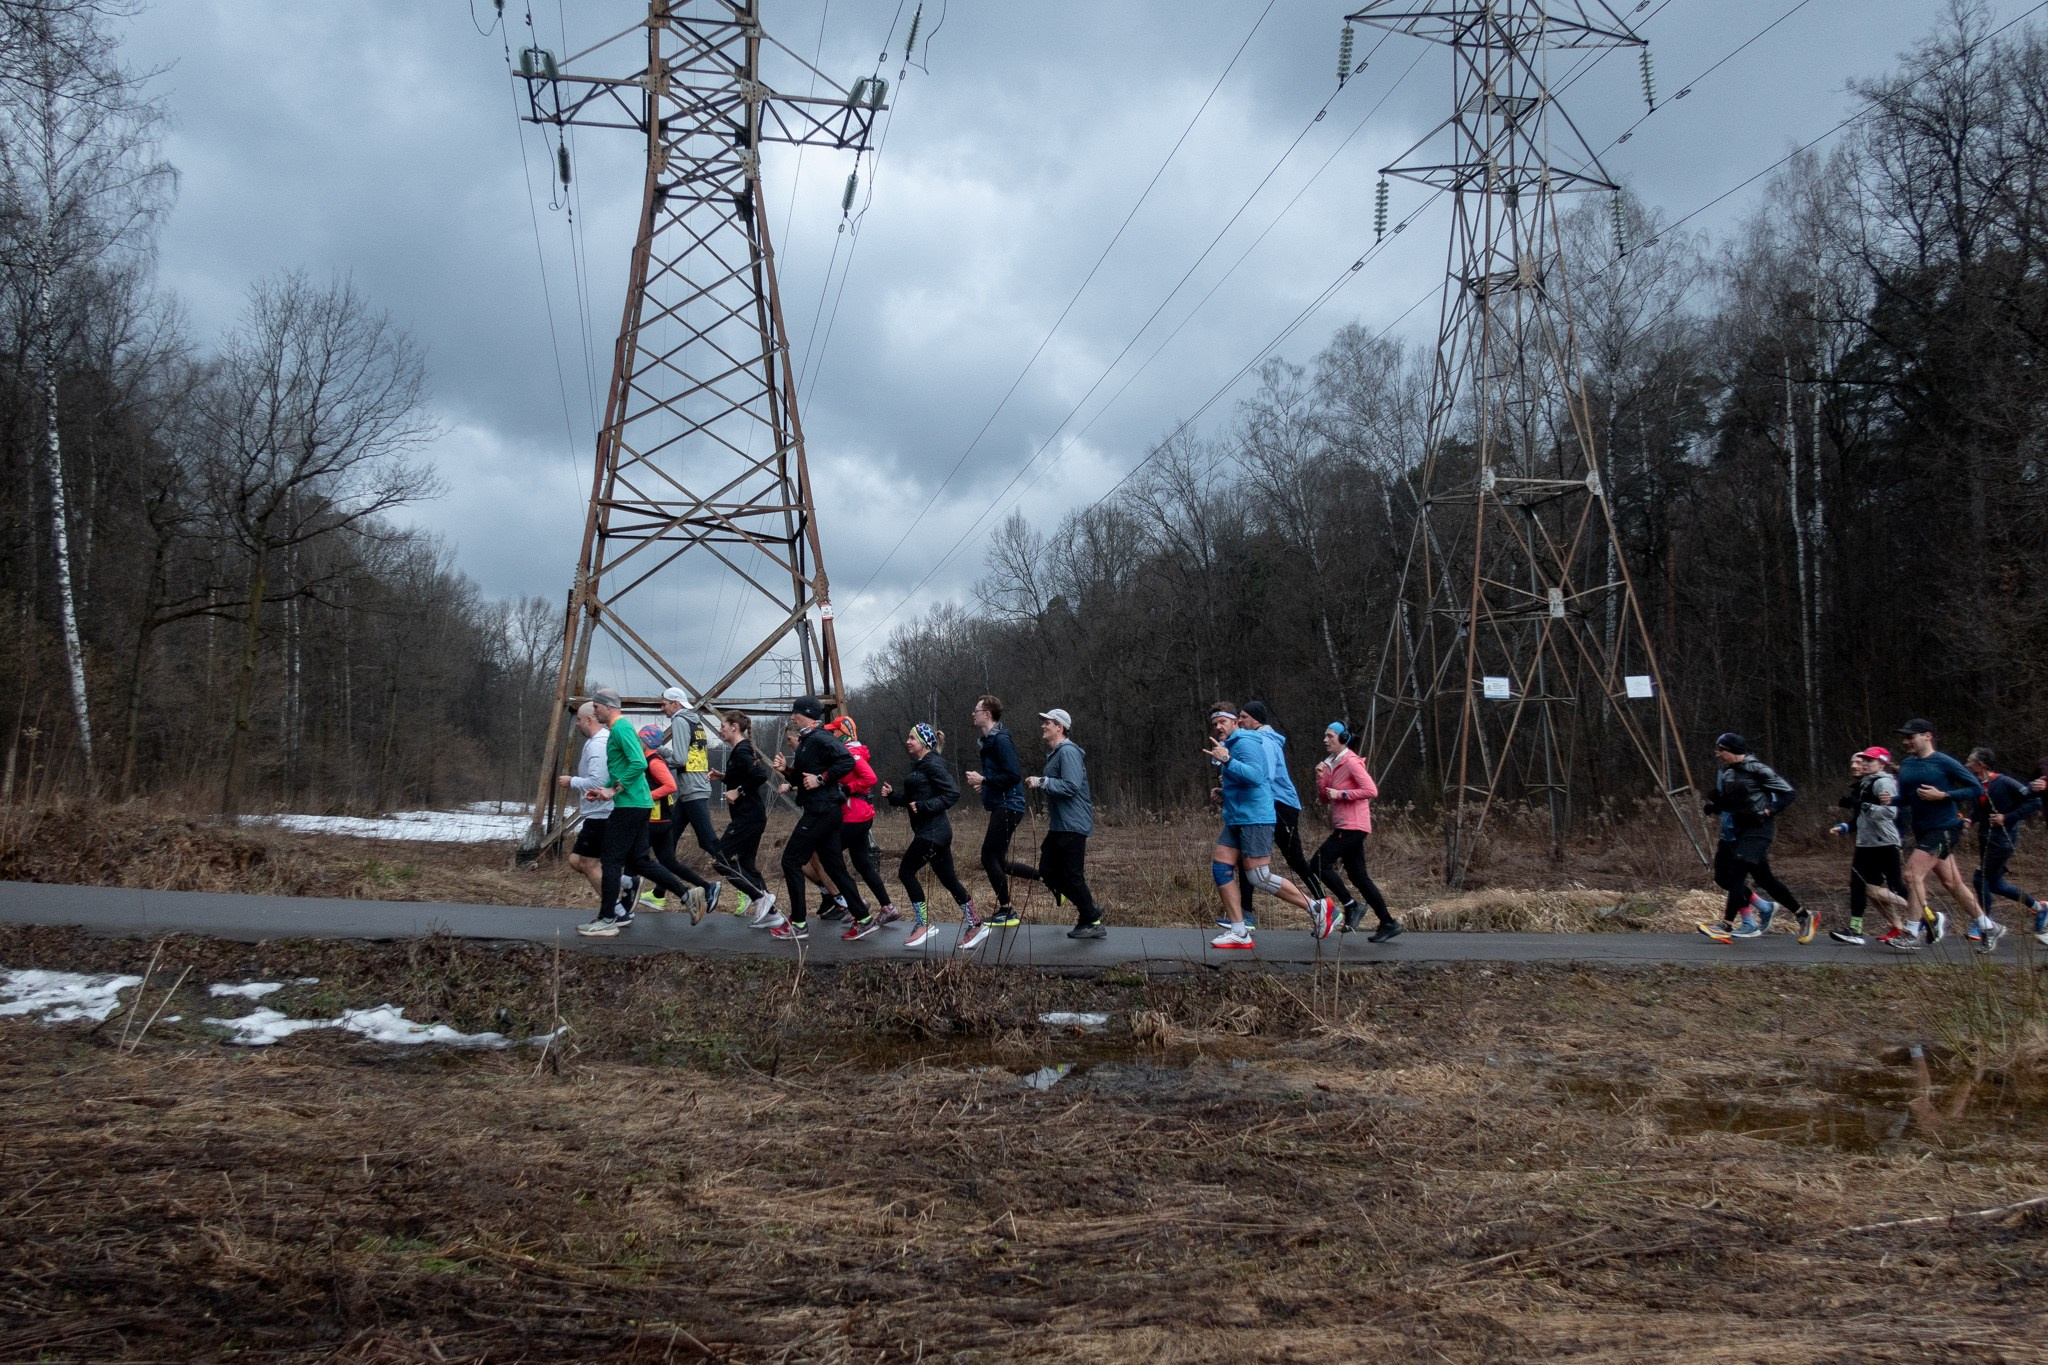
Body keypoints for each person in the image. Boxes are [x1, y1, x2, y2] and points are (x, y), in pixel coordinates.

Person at [1205, 702, 1336, 951]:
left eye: (1223, 721)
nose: (1219, 727)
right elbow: (1244, 781)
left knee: (1258, 876)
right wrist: (1225, 791)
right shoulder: (1231, 744)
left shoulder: (1246, 742)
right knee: (1221, 868)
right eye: (1215, 724)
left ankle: (1317, 908)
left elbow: (1258, 776)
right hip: (1237, 817)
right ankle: (1239, 931)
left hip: (1256, 818)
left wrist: (1228, 760)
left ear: (1236, 722)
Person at [578, 687, 698, 937]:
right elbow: (626, 766)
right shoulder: (620, 729)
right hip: (637, 803)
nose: (595, 712)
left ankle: (608, 918)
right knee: (638, 861)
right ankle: (687, 895)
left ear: (607, 707)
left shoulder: (620, 729)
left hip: (630, 805)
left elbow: (639, 763)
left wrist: (615, 789)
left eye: (597, 707)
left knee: (611, 861)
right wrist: (606, 789)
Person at [767, 696, 870, 942]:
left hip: (822, 812)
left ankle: (799, 923)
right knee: (834, 865)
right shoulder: (807, 741)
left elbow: (846, 761)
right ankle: (864, 918)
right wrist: (787, 771)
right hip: (825, 810)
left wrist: (822, 779)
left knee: (791, 860)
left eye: (795, 713)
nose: (792, 717)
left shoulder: (821, 737)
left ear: (808, 715)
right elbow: (804, 780)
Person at [1696, 733, 1809, 944]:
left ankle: (1726, 926)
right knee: (1764, 879)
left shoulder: (1757, 768)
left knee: (1737, 871)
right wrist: (1716, 806)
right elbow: (1735, 805)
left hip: (1761, 828)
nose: (1717, 754)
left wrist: (1769, 811)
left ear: (1732, 750)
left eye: (1720, 750)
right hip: (1742, 830)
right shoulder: (1728, 773)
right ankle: (1803, 914)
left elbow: (1788, 793)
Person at [1893, 718, 1995, 951]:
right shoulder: (1907, 765)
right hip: (1923, 829)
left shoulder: (1944, 762)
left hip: (1945, 827)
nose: (1906, 741)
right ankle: (1988, 926)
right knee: (1952, 883)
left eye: (1911, 736)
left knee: (1911, 874)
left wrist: (1944, 795)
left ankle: (1911, 932)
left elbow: (1976, 788)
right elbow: (1909, 797)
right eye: (1904, 737)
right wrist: (1887, 801)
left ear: (1927, 736)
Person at [883, 723, 983, 950]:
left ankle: (923, 924)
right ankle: (976, 924)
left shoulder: (933, 764)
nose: (908, 741)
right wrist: (893, 796)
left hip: (933, 832)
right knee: (949, 880)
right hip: (934, 832)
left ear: (925, 742)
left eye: (912, 738)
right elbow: (912, 799)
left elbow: (953, 792)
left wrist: (925, 806)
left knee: (906, 872)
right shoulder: (919, 765)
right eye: (908, 737)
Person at [1232, 701, 1324, 931]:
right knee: (1248, 858)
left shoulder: (1265, 742)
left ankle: (1325, 907)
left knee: (1295, 860)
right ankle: (1247, 915)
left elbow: (1265, 776)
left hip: (1281, 806)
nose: (1240, 721)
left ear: (1256, 720)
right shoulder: (1256, 740)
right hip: (1267, 805)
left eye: (1243, 717)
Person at [1313, 722, 1400, 940]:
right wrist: (1322, 778)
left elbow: (1371, 790)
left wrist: (1342, 794)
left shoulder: (1351, 762)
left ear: (1343, 738)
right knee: (1359, 876)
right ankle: (1388, 923)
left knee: (1318, 864)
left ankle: (1351, 905)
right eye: (1325, 736)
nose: (1325, 740)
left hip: (1353, 826)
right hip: (1345, 825)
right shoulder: (1333, 764)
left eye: (1330, 736)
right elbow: (1325, 798)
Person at [1024, 708, 1107, 939]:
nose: (1043, 726)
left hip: (1073, 823)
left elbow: (1071, 786)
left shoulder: (1068, 752)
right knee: (1048, 869)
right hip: (1061, 825)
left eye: (1047, 722)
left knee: (1072, 875)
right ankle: (1089, 909)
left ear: (1059, 727)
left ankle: (1091, 917)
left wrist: (1042, 781)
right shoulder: (1055, 754)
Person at [1826, 746, 1914, 948]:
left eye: (1870, 761)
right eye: (1863, 759)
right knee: (1858, 886)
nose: (1864, 763)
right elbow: (1863, 816)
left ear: (1882, 763)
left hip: (1884, 843)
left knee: (1896, 886)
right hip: (1866, 844)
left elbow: (1889, 813)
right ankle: (1856, 930)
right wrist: (1846, 826)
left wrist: (1863, 805)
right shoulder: (1867, 782)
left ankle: (1927, 916)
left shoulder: (1883, 782)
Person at [963, 695, 1037, 928]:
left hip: (1009, 805)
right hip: (1003, 804)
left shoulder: (1001, 740)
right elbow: (1000, 778)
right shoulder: (988, 740)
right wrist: (984, 786)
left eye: (976, 710)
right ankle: (1050, 879)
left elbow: (1013, 775)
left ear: (987, 713)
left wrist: (984, 779)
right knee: (999, 862)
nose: (973, 714)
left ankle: (1007, 911)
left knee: (988, 857)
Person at [635, 723, 715, 920]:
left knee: (637, 861)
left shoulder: (654, 762)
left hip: (656, 820)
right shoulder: (647, 760)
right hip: (661, 820)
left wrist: (645, 796)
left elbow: (670, 786)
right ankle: (702, 888)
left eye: (639, 739)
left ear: (645, 741)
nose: (636, 742)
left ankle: (621, 908)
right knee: (668, 862)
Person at [822, 716, 898, 924]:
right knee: (862, 863)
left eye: (835, 731)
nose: (832, 735)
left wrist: (847, 789)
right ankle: (887, 907)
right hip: (858, 815)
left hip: (855, 816)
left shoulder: (852, 754)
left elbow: (870, 779)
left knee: (828, 855)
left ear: (845, 733)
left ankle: (856, 903)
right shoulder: (847, 753)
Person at [1964, 746, 2040, 946]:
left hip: (2002, 841)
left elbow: (2034, 802)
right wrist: (1970, 819)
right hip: (1986, 839)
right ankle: (2039, 908)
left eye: (1970, 761)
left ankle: (1983, 926)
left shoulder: (2004, 782)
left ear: (1981, 765)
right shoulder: (1978, 784)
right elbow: (1978, 809)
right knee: (1996, 885)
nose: (1967, 764)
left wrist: (2007, 817)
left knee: (1979, 879)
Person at [557, 703, 626, 917]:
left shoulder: (598, 744)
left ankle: (617, 908)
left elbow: (598, 780)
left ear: (590, 719)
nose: (577, 724)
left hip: (601, 812)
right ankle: (625, 883)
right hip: (599, 812)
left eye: (579, 719)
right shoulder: (598, 741)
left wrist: (572, 781)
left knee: (585, 861)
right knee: (578, 861)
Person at [710, 712, 777, 926]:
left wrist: (738, 791)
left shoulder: (742, 750)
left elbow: (759, 776)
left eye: (722, 726)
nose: (719, 730)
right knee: (747, 865)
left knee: (721, 860)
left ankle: (760, 898)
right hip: (750, 816)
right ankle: (772, 914)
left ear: (734, 727)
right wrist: (724, 778)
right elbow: (745, 776)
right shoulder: (739, 751)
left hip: (749, 817)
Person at [657, 687, 726, 866]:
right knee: (669, 839)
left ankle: (747, 885)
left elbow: (679, 760)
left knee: (708, 842)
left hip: (693, 790)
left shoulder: (679, 720)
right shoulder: (694, 720)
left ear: (675, 703)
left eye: (664, 704)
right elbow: (687, 756)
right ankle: (659, 892)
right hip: (693, 788)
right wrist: (660, 751)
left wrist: (657, 756)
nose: (661, 708)